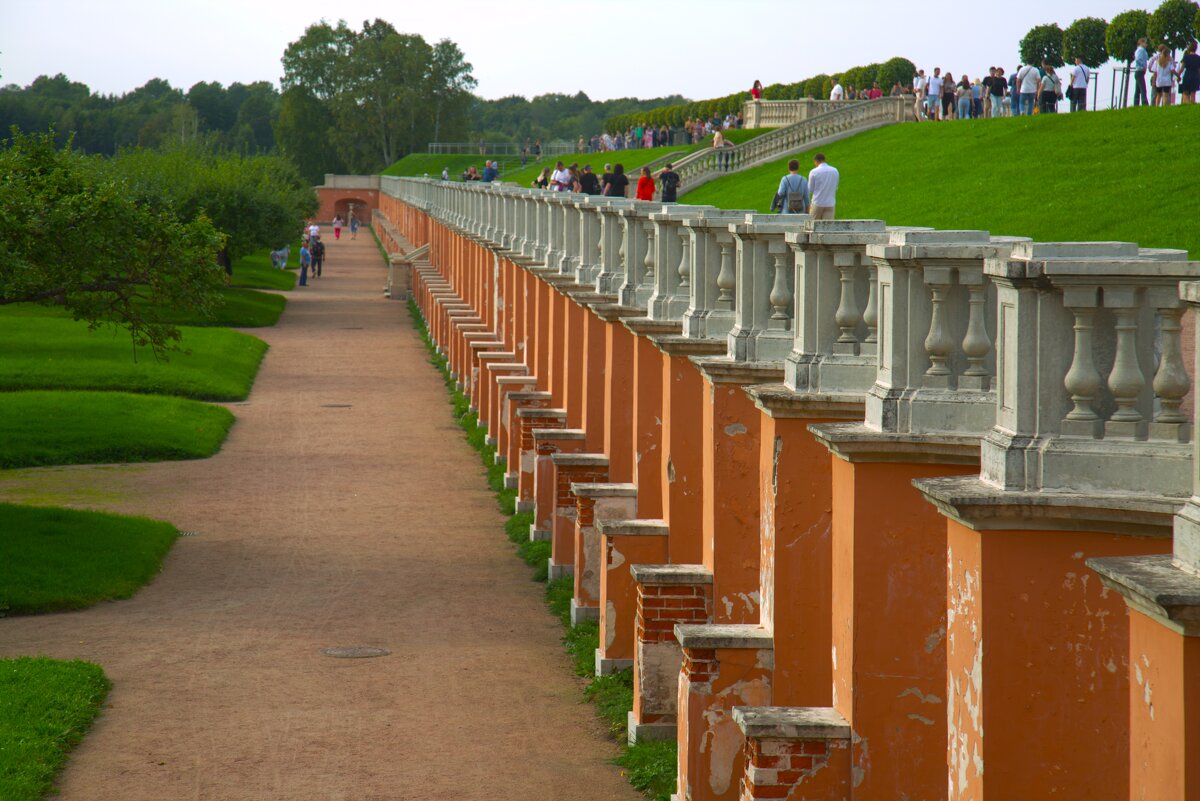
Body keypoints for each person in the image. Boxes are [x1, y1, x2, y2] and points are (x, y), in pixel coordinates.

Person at [808, 153, 839, 220]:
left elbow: (810, 189)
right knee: (827, 227)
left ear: (816, 161)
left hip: (818, 202)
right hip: (830, 203)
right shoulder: (835, 171)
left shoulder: (814, 172)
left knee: (813, 226)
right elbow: (835, 186)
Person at [1133, 38, 1150, 107]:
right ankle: (1144, 103)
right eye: (1145, 43)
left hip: (1138, 71)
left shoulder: (1140, 50)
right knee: (1143, 88)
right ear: (1141, 43)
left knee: (1138, 90)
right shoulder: (1141, 50)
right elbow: (1137, 59)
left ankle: (1136, 104)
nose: (1146, 44)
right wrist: (1143, 66)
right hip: (1140, 71)